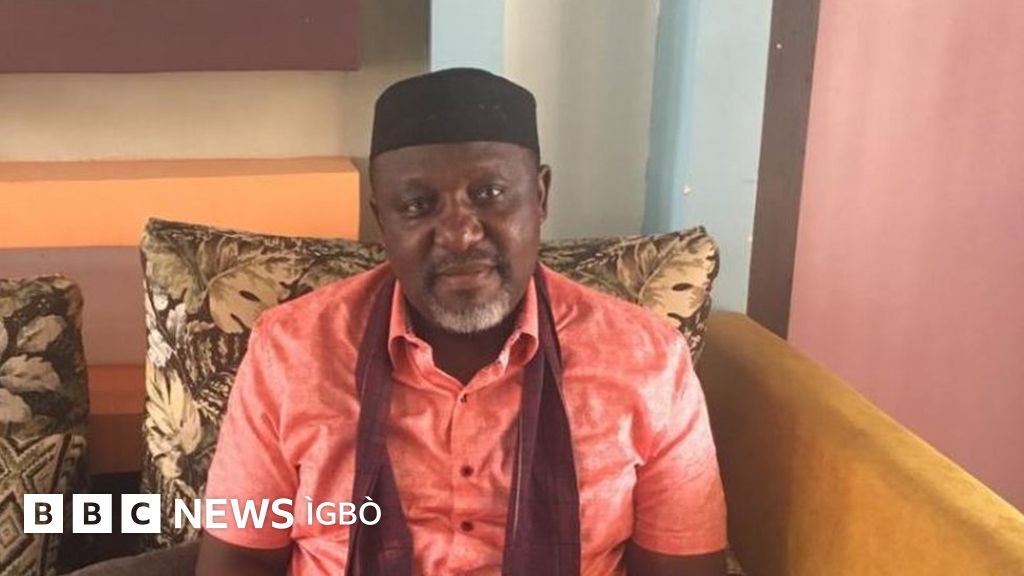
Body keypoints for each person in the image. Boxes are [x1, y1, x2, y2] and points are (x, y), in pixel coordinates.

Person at [196, 68, 727, 576]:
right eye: (418, 204)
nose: (458, 234)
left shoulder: (648, 361)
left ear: (540, 197)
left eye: (488, 194)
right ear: (381, 221)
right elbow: (238, 558)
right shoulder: (290, 350)